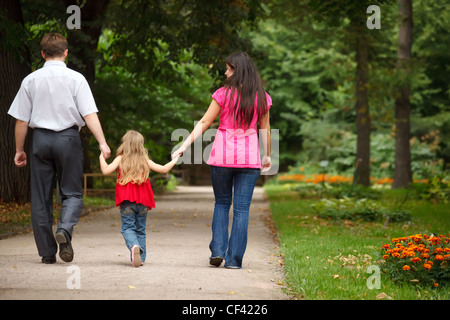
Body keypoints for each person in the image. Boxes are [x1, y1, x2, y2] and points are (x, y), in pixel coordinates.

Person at [8, 33, 111, 264]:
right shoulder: (76, 79)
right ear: (66, 53)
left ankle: (46, 253)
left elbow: (22, 121)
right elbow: (89, 114)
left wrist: (19, 149)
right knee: (73, 193)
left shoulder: (30, 80)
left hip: (40, 141)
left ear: (42, 54)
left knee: (40, 198)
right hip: (68, 139)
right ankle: (64, 229)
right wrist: (103, 143)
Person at [171, 52, 272, 269]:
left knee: (222, 203)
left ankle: (217, 251)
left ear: (237, 70)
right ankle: (234, 260)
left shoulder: (223, 94)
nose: (225, 73)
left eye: (228, 69)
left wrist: (184, 145)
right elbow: (265, 128)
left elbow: (205, 122)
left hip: (222, 158)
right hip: (249, 160)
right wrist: (267, 155)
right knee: (242, 209)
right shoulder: (261, 97)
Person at [99, 130, 180, 267]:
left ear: (125, 144)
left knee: (127, 228)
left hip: (127, 201)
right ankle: (140, 258)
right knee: (140, 230)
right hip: (143, 201)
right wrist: (176, 158)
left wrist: (101, 156)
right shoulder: (144, 160)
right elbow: (164, 169)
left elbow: (106, 170)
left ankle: (134, 246)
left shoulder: (121, 159)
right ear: (140, 145)